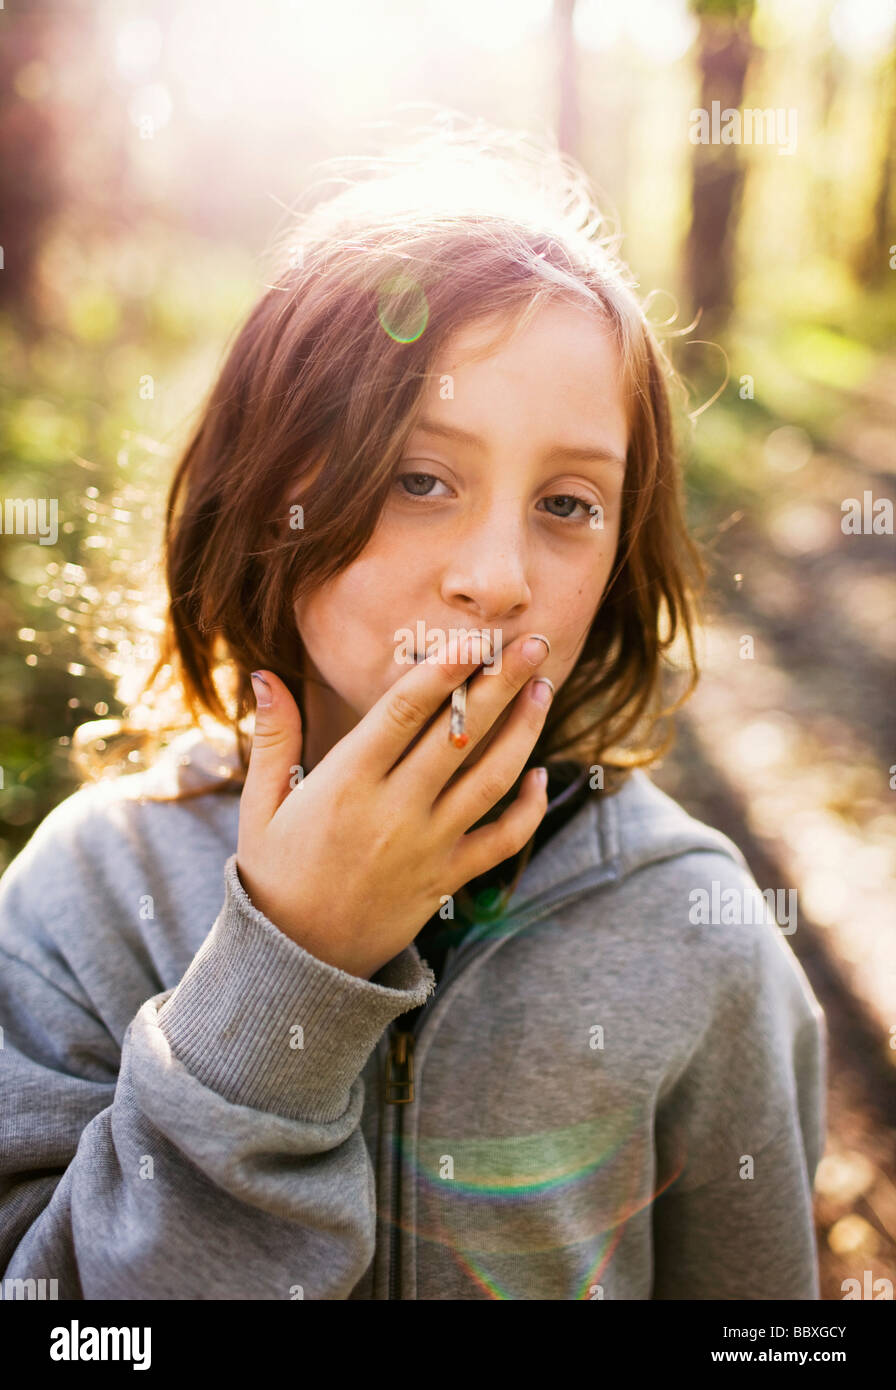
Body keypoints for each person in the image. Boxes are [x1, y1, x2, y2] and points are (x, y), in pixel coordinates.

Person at [0, 118, 826, 1300]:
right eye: (418, 479)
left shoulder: (693, 930)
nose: (496, 574)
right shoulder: (83, 900)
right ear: (269, 483)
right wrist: (285, 975)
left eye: (566, 503)